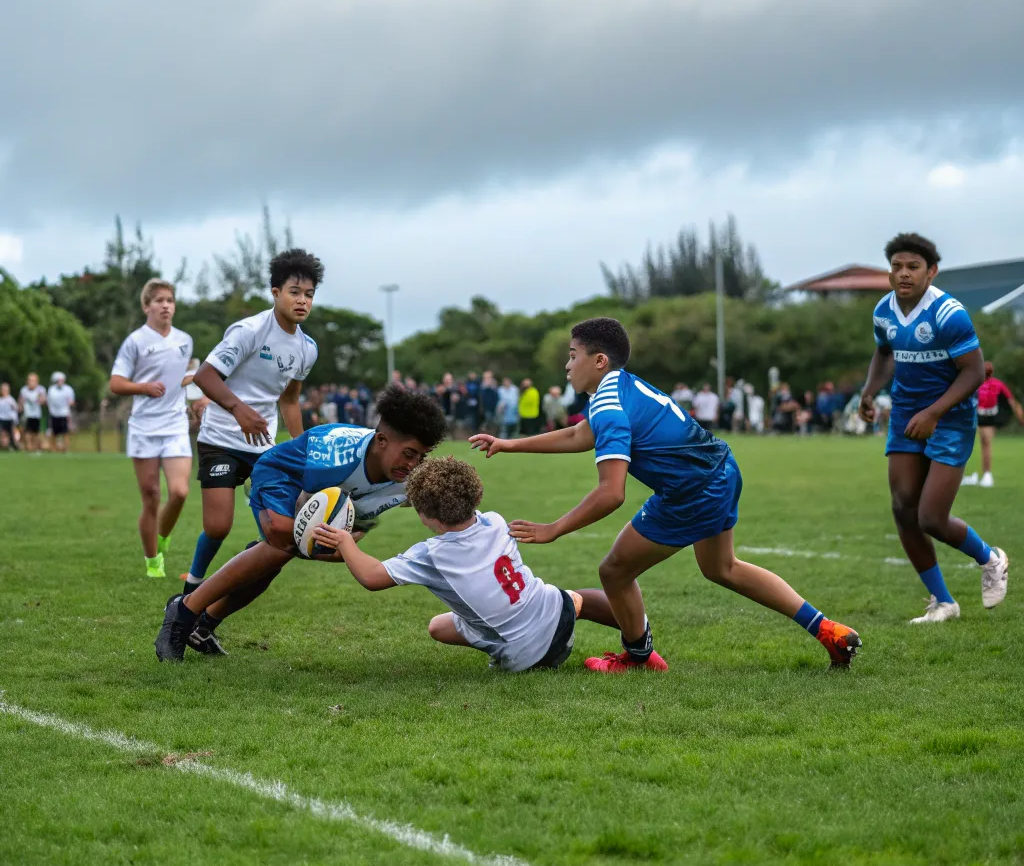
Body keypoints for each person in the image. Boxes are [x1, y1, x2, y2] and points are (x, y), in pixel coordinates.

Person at [470, 317, 861, 673]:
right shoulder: (620, 385)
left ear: (600, 360)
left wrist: (553, 529)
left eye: (573, 357)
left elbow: (611, 493)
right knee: (722, 568)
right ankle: (829, 630)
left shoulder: (608, 405)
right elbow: (579, 435)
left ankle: (639, 657)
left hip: (692, 491)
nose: (568, 366)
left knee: (615, 571)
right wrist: (510, 444)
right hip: (722, 467)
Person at [154, 385, 449, 661]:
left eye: (421, 457)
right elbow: (306, 524)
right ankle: (184, 610)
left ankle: (202, 626)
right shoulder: (336, 454)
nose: (413, 465)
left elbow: (361, 527)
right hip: (282, 477)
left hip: (320, 501)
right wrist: (334, 545)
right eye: (409, 454)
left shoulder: (411, 478)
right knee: (282, 541)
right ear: (381, 440)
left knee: (270, 560)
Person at [312, 456, 622, 671]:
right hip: (559, 619)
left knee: (445, 625)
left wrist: (345, 541)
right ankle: (638, 635)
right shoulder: (495, 521)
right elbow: (453, 497)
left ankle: (499, 647)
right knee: (576, 597)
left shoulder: (431, 554)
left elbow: (372, 577)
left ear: (425, 515)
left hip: (526, 657)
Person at [859, 233, 1008, 624]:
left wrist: (935, 414)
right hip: (908, 413)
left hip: (951, 418)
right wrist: (869, 392)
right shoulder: (883, 311)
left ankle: (990, 558)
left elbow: (974, 372)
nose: (904, 274)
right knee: (903, 508)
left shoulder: (948, 313)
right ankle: (943, 602)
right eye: (897, 266)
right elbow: (884, 352)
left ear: (931, 272)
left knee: (931, 518)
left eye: (913, 267)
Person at [182, 249, 323, 600]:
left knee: (278, 532)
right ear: (275, 292)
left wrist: (302, 449)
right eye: (294, 292)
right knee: (217, 527)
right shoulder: (249, 331)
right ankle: (191, 589)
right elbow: (205, 375)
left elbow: (289, 400)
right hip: (219, 437)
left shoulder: (307, 348)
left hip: (263, 446)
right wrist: (238, 409)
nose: (302, 300)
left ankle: (233, 584)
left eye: (309, 294)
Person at [109, 278, 196, 578]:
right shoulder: (135, 341)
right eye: (158, 300)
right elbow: (116, 383)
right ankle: (152, 561)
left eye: (170, 300)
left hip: (174, 425)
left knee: (180, 492)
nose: (165, 305)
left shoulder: (185, 341)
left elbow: (181, 378)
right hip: (144, 428)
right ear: (147, 306)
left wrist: (197, 388)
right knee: (151, 495)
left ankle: (162, 534)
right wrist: (143, 387)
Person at [962, 361, 1024, 488]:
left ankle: (987, 475)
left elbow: (1012, 401)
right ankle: (967, 475)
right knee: (966, 443)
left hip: (988, 418)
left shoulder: (997, 384)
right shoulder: (975, 383)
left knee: (985, 444)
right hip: (975, 416)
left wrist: (1020, 418)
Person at [47, 372, 76, 453]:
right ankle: (53, 449)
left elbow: (72, 401)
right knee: (54, 433)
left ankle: (66, 449)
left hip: (64, 413)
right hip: (54, 414)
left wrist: (69, 403)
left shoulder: (68, 389)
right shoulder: (51, 389)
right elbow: (49, 402)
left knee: (65, 432)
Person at [18, 372, 47, 452]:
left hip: (36, 414)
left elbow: (44, 401)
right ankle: (28, 447)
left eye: (33, 380)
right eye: (30, 380)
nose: (31, 382)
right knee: (27, 432)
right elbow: (21, 401)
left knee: (36, 432)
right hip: (27, 414)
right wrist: (20, 408)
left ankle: (35, 447)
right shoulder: (24, 390)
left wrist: (40, 398)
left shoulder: (40, 389)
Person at [0, 382, 19, 450]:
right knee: (2, 434)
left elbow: (15, 410)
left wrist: (15, 420)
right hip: (1, 419)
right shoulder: (1, 400)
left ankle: (14, 446)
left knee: (11, 435)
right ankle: (3, 446)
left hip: (9, 420)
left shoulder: (10, 400)